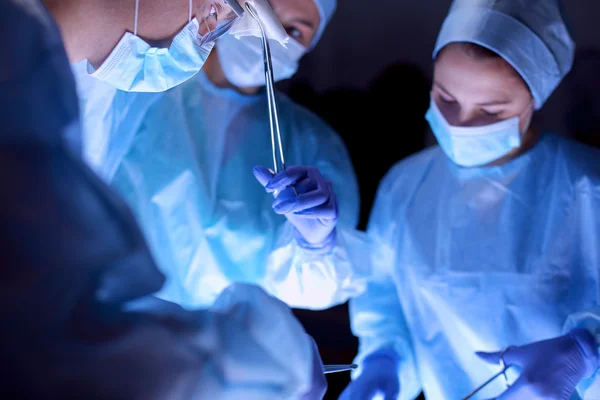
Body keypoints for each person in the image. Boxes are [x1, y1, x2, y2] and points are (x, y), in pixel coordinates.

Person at [1, 1, 327, 398]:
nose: (212, 28)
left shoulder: (35, 87)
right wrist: (268, 365)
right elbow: (50, 349)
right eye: (222, 5)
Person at [341, 0, 600, 399]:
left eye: (490, 112)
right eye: (445, 99)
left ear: (535, 100)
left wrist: (586, 354)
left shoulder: (590, 186)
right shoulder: (404, 186)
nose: (460, 125)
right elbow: (385, 299)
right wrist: (384, 359)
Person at [83, 0, 369, 310]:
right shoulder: (138, 90)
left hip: (234, 348)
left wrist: (316, 246)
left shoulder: (314, 144)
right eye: (267, 9)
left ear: (311, 45)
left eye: (295, 30)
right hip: (118, 333)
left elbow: (318, 290)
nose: (270, 31)